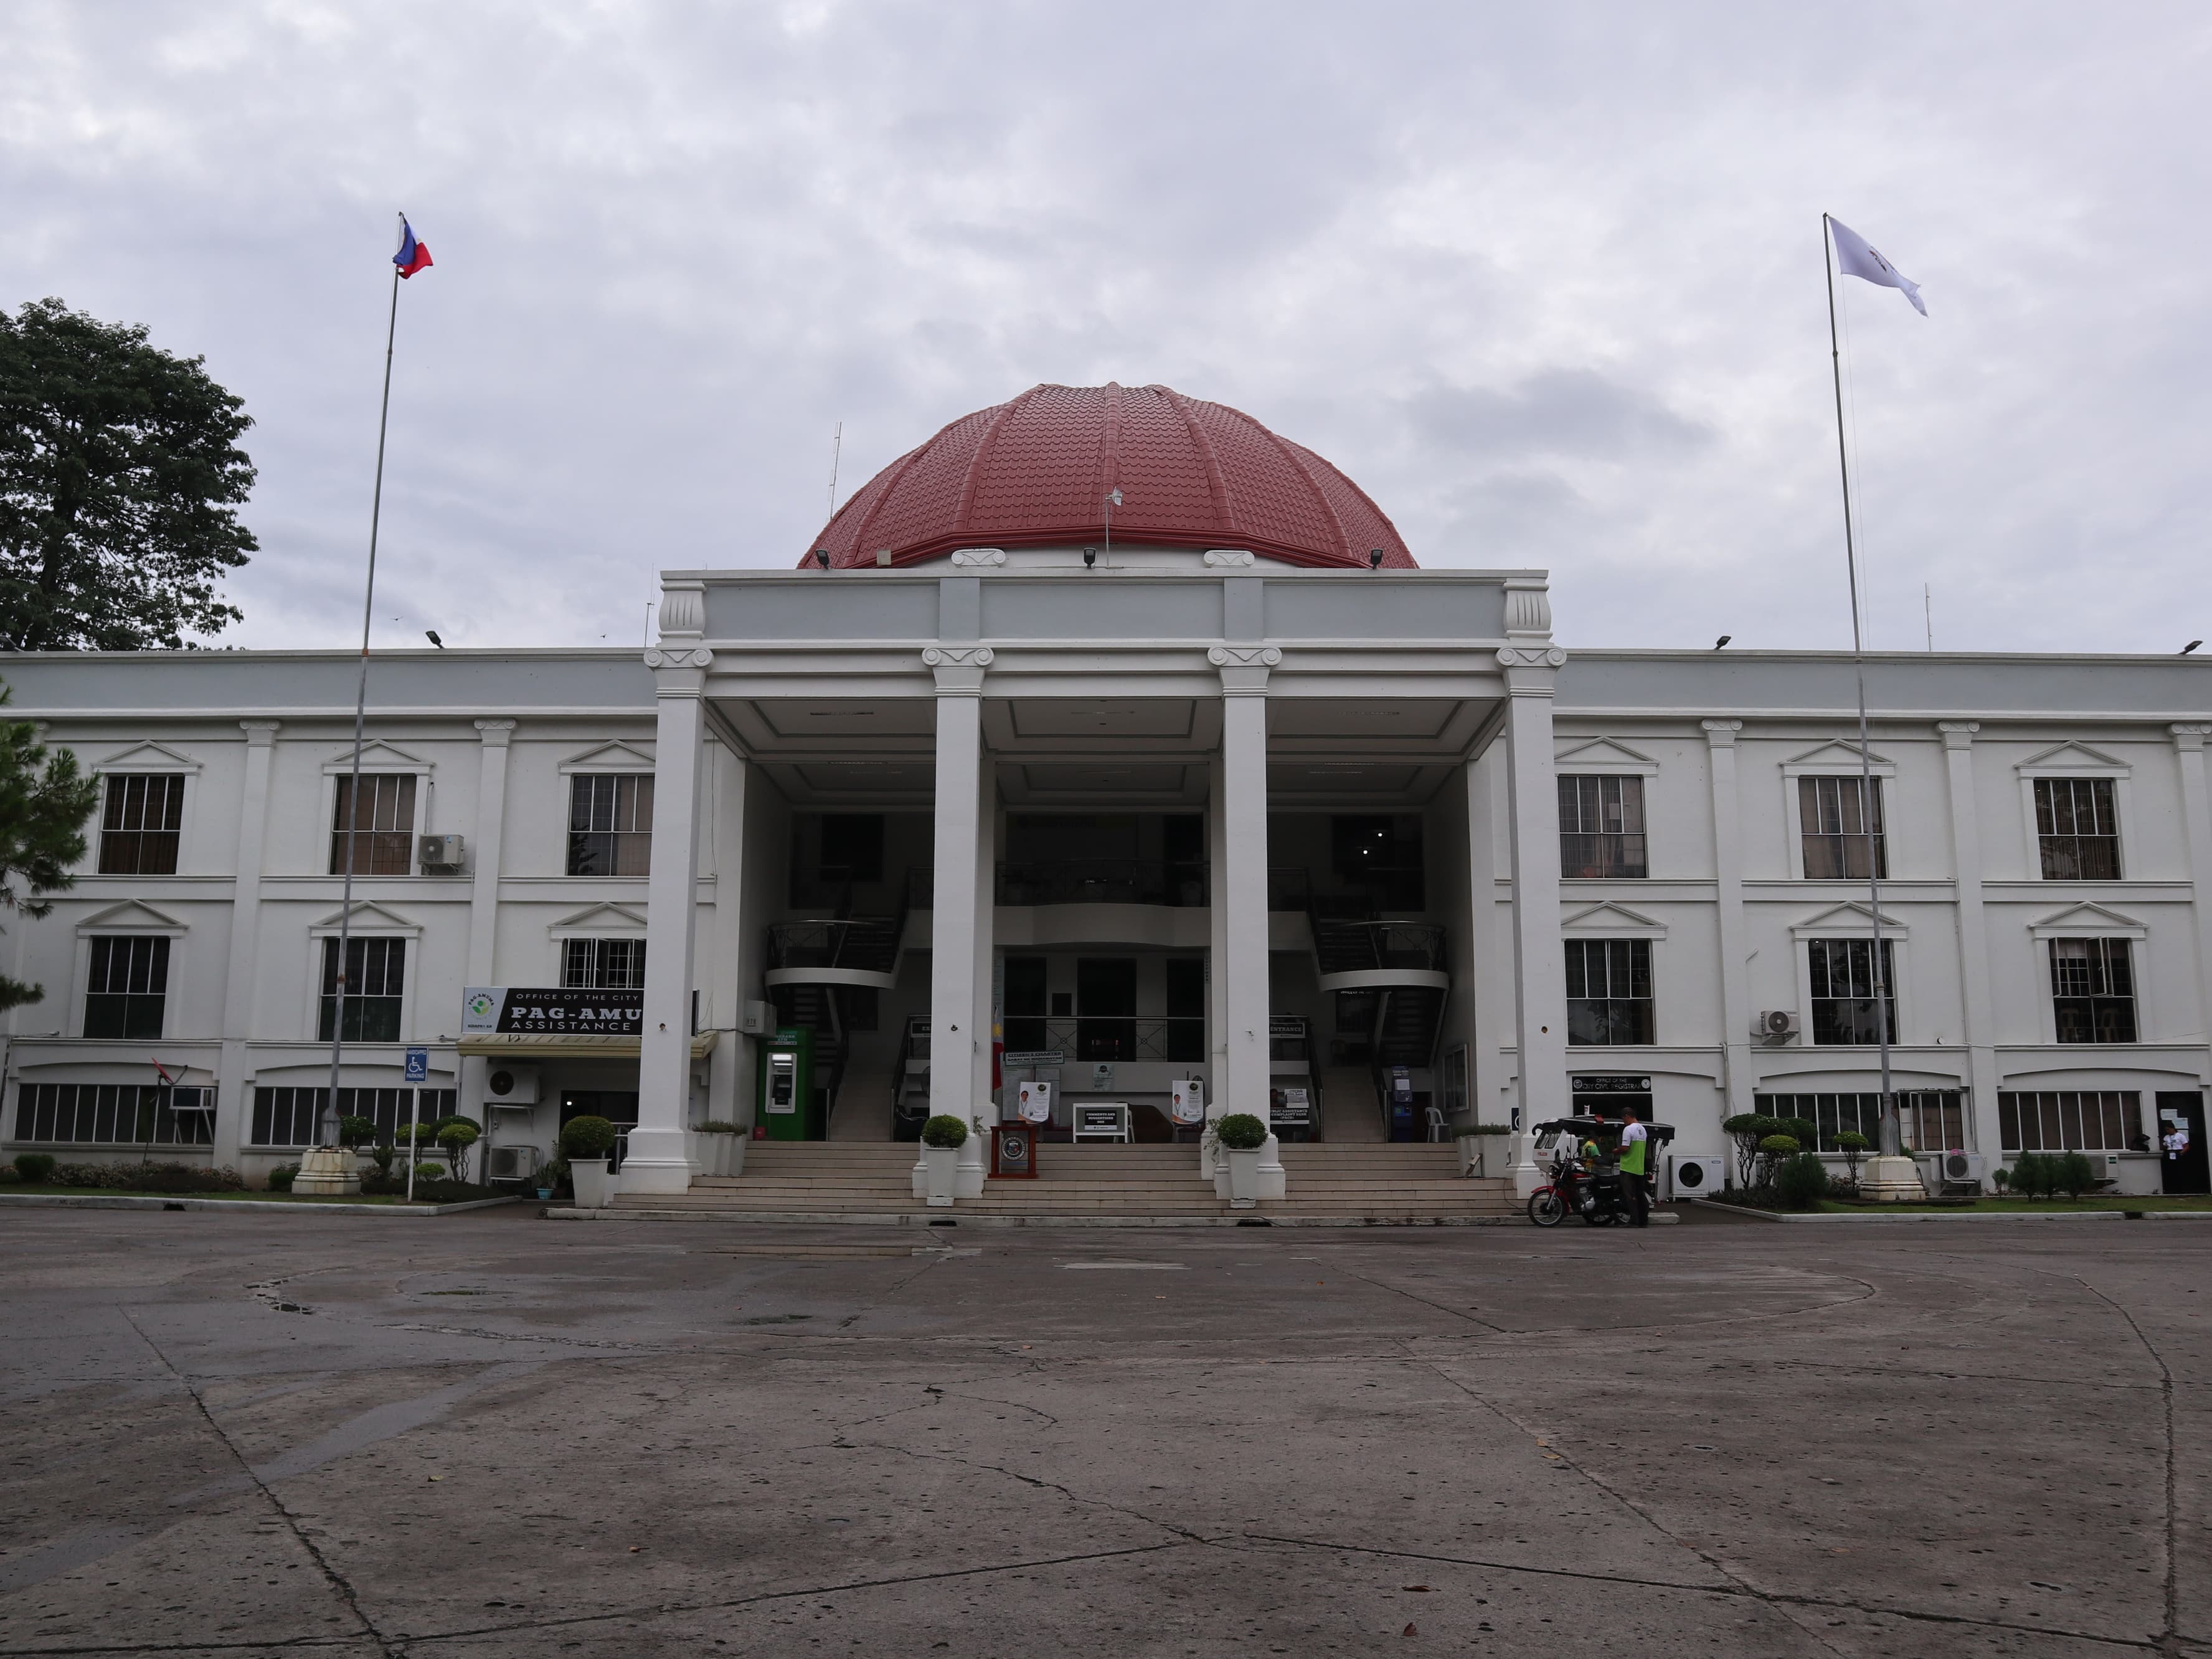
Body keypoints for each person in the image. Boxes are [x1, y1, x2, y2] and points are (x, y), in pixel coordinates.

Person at [1617, 1111, 1651, 1228]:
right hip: (1639, 1167)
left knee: (1630, 1196)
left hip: (1628, 1167)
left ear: (1627, 1116)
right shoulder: (1643, 1130)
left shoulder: (1628, 1129)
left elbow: (1625, 1148)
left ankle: (1633, 1221)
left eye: (1623, 1119)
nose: (1623, 1121)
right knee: (1640, 1195)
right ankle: (1643, 1220)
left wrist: (1616, 1151)